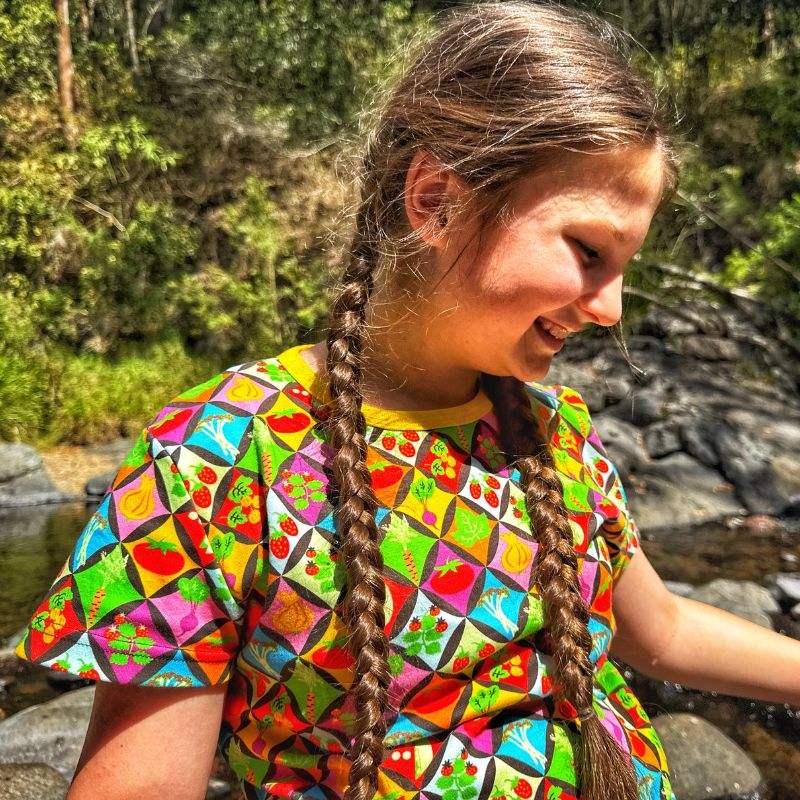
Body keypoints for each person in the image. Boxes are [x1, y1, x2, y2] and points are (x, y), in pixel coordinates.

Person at [15, 3, 800, 800]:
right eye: (589, 251)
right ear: (435, 201)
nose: (611, 309)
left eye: (624, 264)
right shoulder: (216, 458)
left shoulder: (554, 437)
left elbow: (660, 633)